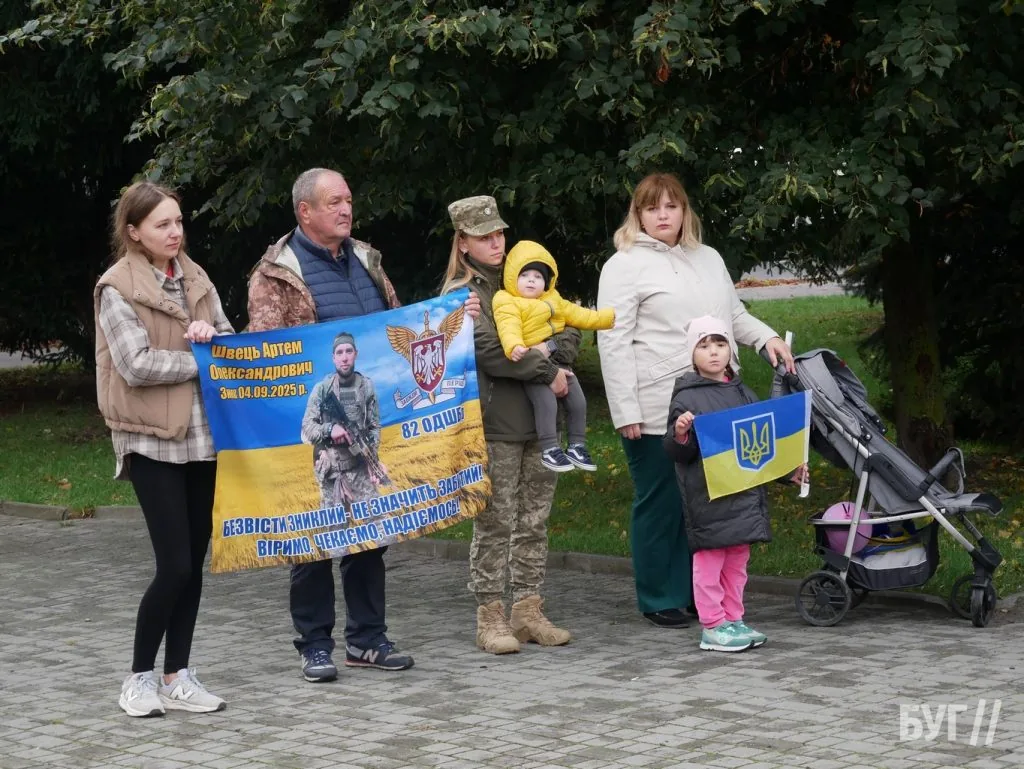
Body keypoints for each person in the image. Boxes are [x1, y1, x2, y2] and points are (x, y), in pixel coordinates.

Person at [248, 168, 479, 682]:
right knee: (313, 539)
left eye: (349, 200)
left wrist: (455, 318)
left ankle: (367, 640)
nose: (346, 209)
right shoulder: (276, 274)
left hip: (368, 427)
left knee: (372, 536)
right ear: (304, 211)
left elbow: (395, 329)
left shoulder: (367, 260)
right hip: (322, 436)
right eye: (334, 202)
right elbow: (265, 355)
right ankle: (314, 644)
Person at [597, 172, 794, 629]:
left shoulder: (708, 258)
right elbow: (612, 341)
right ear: (638, 214)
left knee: (707, 502)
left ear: (685, 211)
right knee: (662, 502)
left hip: (719, 404)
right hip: (655, 404)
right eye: (652, 208)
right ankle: (659, 595)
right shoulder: (623, 266)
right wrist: (625, 409)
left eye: (671, 206)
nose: (663, 215)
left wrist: (766, 341)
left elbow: (733, 317)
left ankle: (696, 596)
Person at [95, 180, 233, 717]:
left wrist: (210, 334)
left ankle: (179, 674)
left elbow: (226, 338)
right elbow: (136, 365)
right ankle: (138, 678)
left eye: (178, 222)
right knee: (173, 564)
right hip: (150, 439)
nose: (175, 233)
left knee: (193, 564)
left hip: (202, 438)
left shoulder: (196, 277)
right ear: (134, 233)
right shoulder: (116, 288)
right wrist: (199, 358)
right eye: (162, 225)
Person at [441, 195, 578, 654]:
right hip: (494, 423)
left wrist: (553, 358)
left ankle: (527, 609)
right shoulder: (461, 296)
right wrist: (550, 370)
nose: (497, 242)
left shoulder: (526, 277)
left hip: (541, 425)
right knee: (496, 521)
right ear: (463, 243)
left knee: (535, 520)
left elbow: (570, 324)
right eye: (484, 236)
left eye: (499, 233)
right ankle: (490, 616)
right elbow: (491, 352)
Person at [663, 316, 807, 651]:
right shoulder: (686, 398)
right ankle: (713, 625)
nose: (713, 352)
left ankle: (734, 619)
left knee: (737, 564)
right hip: (710, 499)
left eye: (720, 343)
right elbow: (675, 451)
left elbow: (761, 442)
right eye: (704, 345)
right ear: (692, 353)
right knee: (710, 563)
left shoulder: (743, 392)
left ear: (730, 349)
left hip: (743, 497)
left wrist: (789, 472)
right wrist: (681, 433)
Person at [492, 239, 615, 472]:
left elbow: (578, 315)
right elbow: (507, 325)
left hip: (560, 362)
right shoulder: (507, 300)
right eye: (525, 274)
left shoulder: (554, 299)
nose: (531, 280)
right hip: (532, 363)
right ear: (512, 278)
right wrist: (514, 345)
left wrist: (606, 319)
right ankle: (550, 448)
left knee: (578, 401)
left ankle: (577, 445)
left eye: (538, 277)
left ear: (546, 283)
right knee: (546, 402)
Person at [301, 332, 387, 511]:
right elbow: (306, 429)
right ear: (333, 358)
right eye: (339, 353)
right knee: (334, 531)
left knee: (381, 527)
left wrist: (373, 459)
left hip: (359, 466)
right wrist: (330, 429)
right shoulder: (322, 390)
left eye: (349, 351)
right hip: (331, 472)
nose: (345, 358)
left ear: (356, 353)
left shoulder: (366, 386)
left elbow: (374, 426)